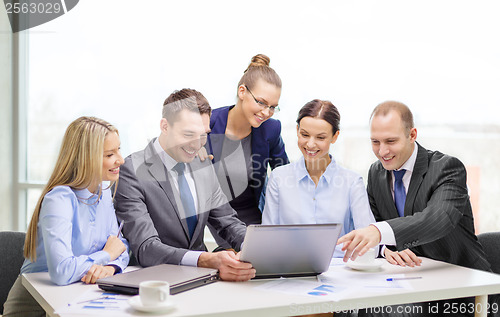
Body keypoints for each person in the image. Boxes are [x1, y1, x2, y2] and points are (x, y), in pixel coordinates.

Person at [337, 101, 492, 316]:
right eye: (375, 142)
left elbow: (438, 219)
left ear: (412, 134)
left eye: (391, 141)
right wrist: (385, 249)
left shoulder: (447, 168)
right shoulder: (376, 173)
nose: (382, 151)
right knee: (357, 307)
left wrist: (378, 232)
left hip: (460, 288)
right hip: (410, 281)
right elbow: (380, 226)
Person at [114, 88, 255, 281]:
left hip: (204, 281)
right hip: (156, 283)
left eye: (203, 135)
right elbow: (146, 247)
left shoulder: (203, 165)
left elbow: (227, 222)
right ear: (165, 126)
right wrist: (206, 260)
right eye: (188, 134)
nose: (197, 145)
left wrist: (256, 247)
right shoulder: (132, 170)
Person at [3, 116, 129, 317]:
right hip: (37, 305)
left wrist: (111, 267)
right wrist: (106, 256)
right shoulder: (59, 199)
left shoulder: (103, 192)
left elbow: (120, 245)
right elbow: (62, 272)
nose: (120, 160)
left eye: (118, 150)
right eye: (109, 154)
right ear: (86, 157)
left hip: (78, 295)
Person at [262, 99, 375, 257]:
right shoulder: (278, 178)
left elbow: (370, 244)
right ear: (297, 130)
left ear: (335, 136)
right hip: (291, 271)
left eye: (320, 138)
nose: (310, 144)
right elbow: (267, 239)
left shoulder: (352, 182)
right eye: (304, 135)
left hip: (340, 271)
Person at [205, 54, 289, 249]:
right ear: (242, 91)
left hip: (251, 211)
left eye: (272, 107)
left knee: (267, 257)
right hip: (213, 213)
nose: (266, 112)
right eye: (261, 102)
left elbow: (284, 175)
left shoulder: (271, 129)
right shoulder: (208, 124)